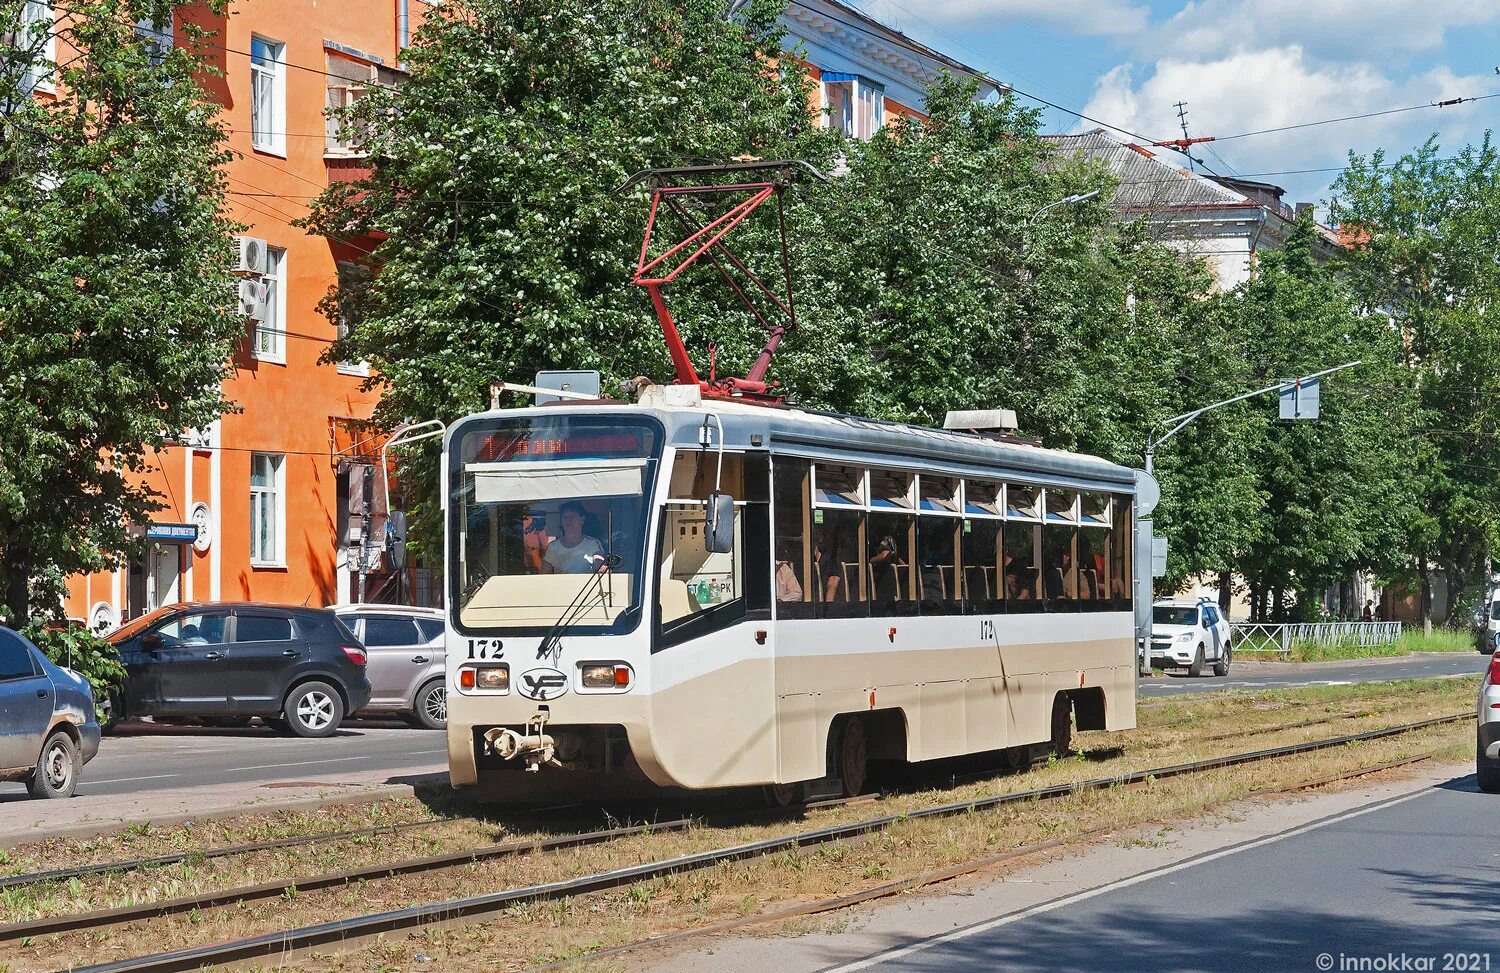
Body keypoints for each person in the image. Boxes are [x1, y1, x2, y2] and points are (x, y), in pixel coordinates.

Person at [542, 501, 605, 574]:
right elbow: (544, 574)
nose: (568, 520)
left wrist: (601, 566)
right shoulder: (553, 547)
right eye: (565, 517)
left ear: (582, 520)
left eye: (572, 517)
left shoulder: (592, 544)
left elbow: (600, 562)